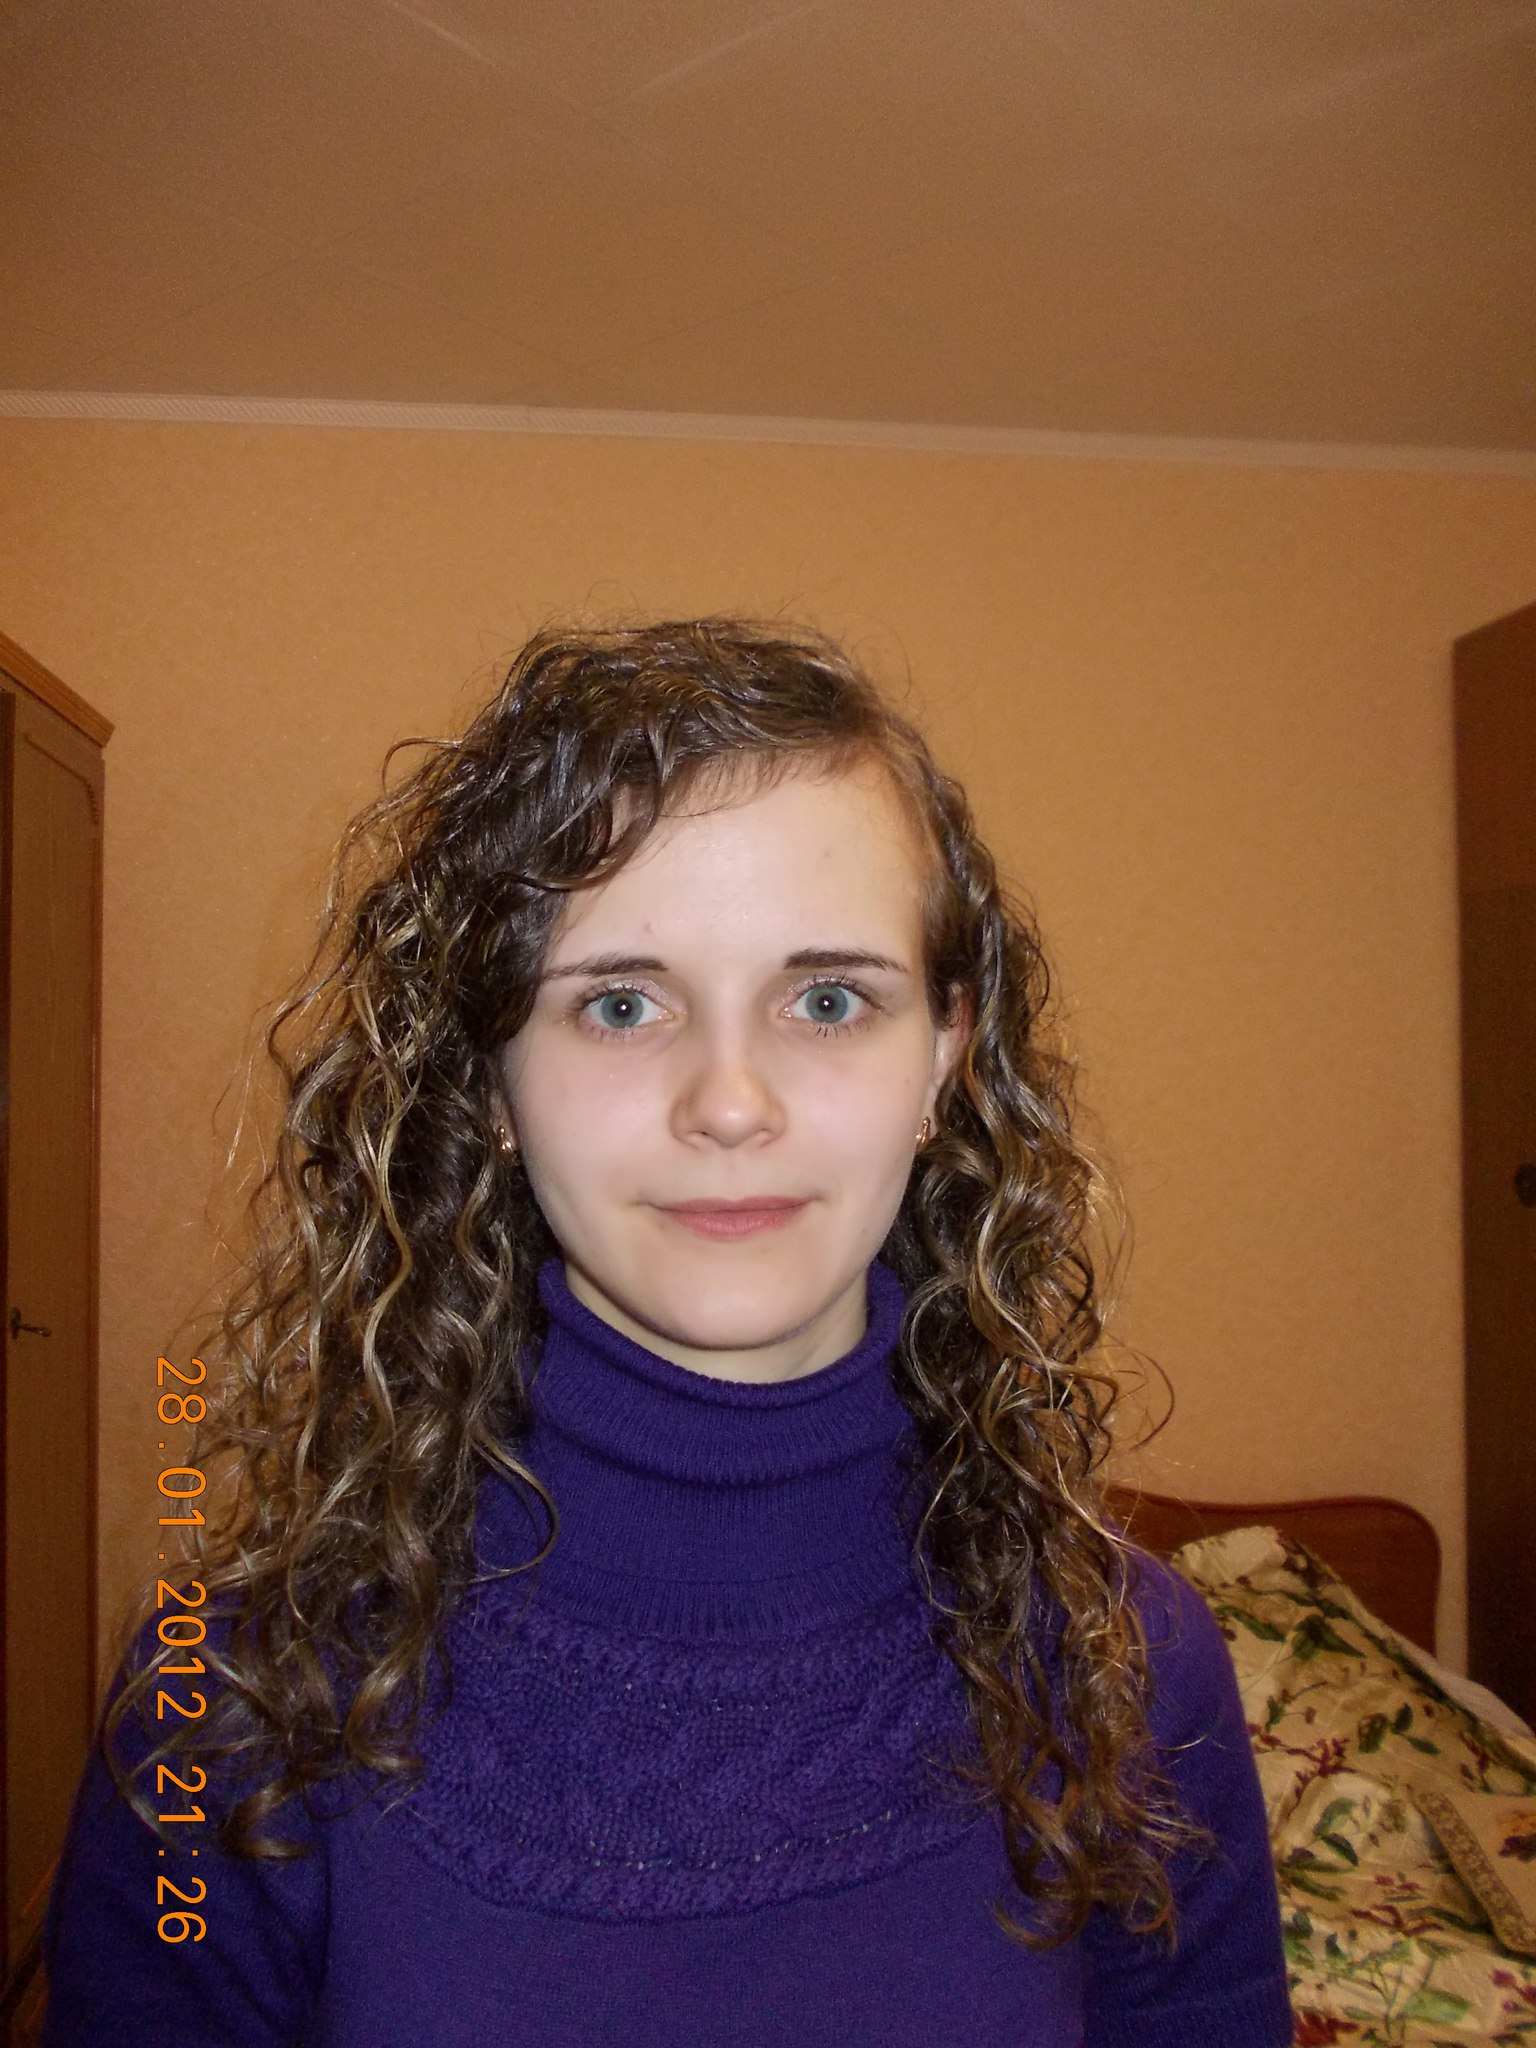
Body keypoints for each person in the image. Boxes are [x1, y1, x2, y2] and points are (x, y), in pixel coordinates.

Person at [41, 618, 1294, 2046]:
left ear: (946, 1056)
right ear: (492, 1081)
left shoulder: (1133, 1671)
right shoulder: (222, 1696)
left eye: (828, 999)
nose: (731, 1102)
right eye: (623, 1004)